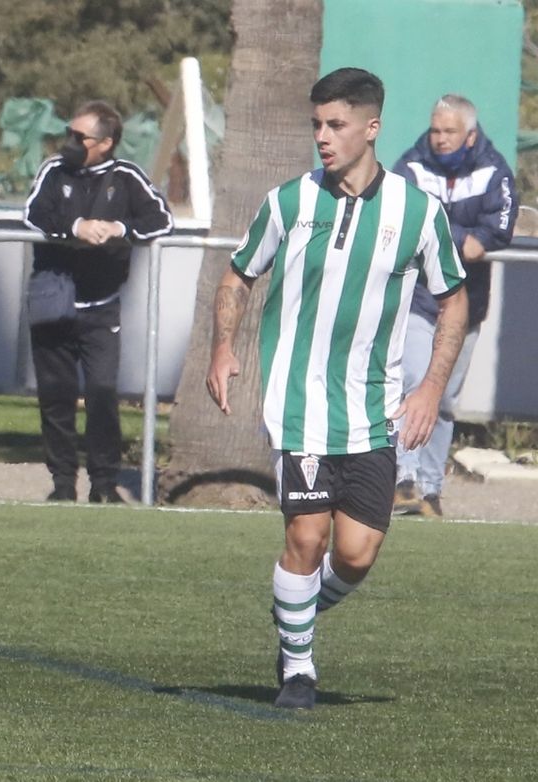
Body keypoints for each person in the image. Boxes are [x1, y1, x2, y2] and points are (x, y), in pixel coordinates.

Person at [206, 68, 467, 710]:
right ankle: (298, 668)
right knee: (306, 538)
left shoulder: (418, 213)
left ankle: (295, 616)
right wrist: (223, 347)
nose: (322, 136)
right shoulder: (289, 202)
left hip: (375, 412)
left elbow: (453, 302)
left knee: (356, 555)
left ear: (371, 128)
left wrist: (431, 387)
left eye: (336, 125)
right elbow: (237, 276)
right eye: (316, 124)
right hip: (299, 408)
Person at [23, 100, 174, 503]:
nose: (69, 142)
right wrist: (76, 226)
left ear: (105, 143)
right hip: (53, 302)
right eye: (68, 133)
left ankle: (104, 485)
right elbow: (33, 215)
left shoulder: (126, 178)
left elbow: (161, 219)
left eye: (80, 137)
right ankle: (62, 484)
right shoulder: (55, 171)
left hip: (101, 306)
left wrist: (118, 228)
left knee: (103, 395)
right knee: (55, 396)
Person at [390, 94, 517, 517]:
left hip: (466, 305)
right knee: (412, 381)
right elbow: (403, 218)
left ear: (470, 135)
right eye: (436, 129)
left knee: (443, 400)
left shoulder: (494, 170)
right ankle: (402, 481)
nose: (440, 139)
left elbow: (496, 230)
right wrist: (461, 237)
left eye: (449, 132)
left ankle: (429, 490)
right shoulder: (410, 165)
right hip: (417, 299)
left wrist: (455, 235)